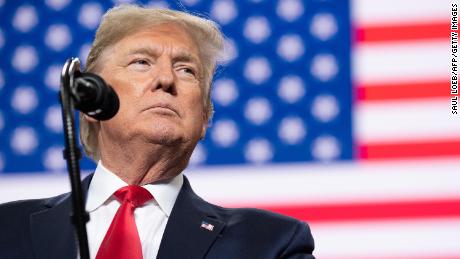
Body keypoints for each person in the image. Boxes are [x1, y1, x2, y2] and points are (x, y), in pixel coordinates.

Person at [0, 4, 315, 259]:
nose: (166, 78)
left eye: (186, 70)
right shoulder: (7, 230)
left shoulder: (271, 243)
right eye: (141, 62)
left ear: (205, 117)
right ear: (89, 98)